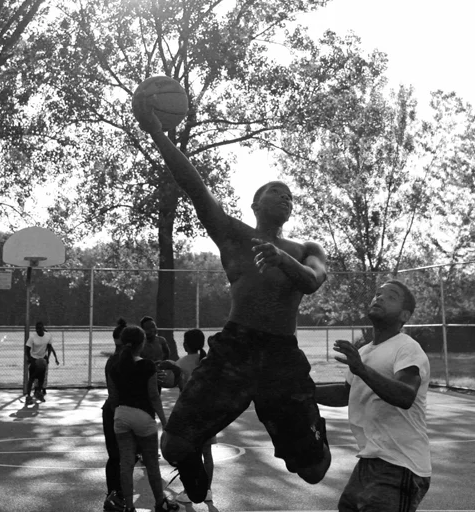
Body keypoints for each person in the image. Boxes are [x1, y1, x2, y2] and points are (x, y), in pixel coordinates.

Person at [133, 94, 332, 502]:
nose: (285, 196)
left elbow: (313, 281)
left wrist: (280, 259)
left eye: (289, 195)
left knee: (314, 471)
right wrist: (155, 131)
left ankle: (309, 434)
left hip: (281, 356)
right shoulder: (232, 235)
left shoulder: (306, 247)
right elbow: (193, 184)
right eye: (275, 191)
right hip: (235, 350)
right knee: (173, 446)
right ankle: (198, 488)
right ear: (255, 203)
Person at [315, 280, 432, 512]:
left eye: (391, 297)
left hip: (401, 463)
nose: (379, 298)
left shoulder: (407, 348)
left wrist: (361, 369)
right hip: (370, 460)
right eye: (377, 294)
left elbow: (405, 395)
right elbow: (346, 393)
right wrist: (302, 390)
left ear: (405, 315)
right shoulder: (364, 352)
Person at [112, 325, 180, 512]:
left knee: (126, 464)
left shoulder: (114, 364)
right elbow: (153, 397)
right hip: (143, 417)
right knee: (151, 463)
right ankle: (160, 502)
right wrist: (165, 422)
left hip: (121, 415)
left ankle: (128, 506)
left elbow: (114, 397)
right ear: (141, 344)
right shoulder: (147, 365)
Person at [172, 329, 214, 504]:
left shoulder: (180, 364)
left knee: (189, 455)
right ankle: (208, 490)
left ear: (185, 344)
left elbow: (182, 390)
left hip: (188, 414)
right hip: (208, 413)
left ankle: (189, 491)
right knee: (207, 453)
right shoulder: (208, 362)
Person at [103, 318, 129, 512]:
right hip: (117, 411)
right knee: (118, 456)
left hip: (114, 410)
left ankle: (115, 494)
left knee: (117, 456)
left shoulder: (114, 359)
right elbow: (115, 394)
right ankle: (116, 494)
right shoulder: (120, 360)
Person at [24, 320, 59, 402]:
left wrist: (48, 357)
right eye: (36, 328)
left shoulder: (48, 336)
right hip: (34, 359)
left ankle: (38, 393)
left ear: (43, 328)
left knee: (41, 379)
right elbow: (27, 349)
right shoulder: (32, 337)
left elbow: (50, 347)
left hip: (42, 360)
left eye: (39, 328)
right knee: (31, 378)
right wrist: (30, 359)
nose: (38, 330)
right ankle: (28, 396)